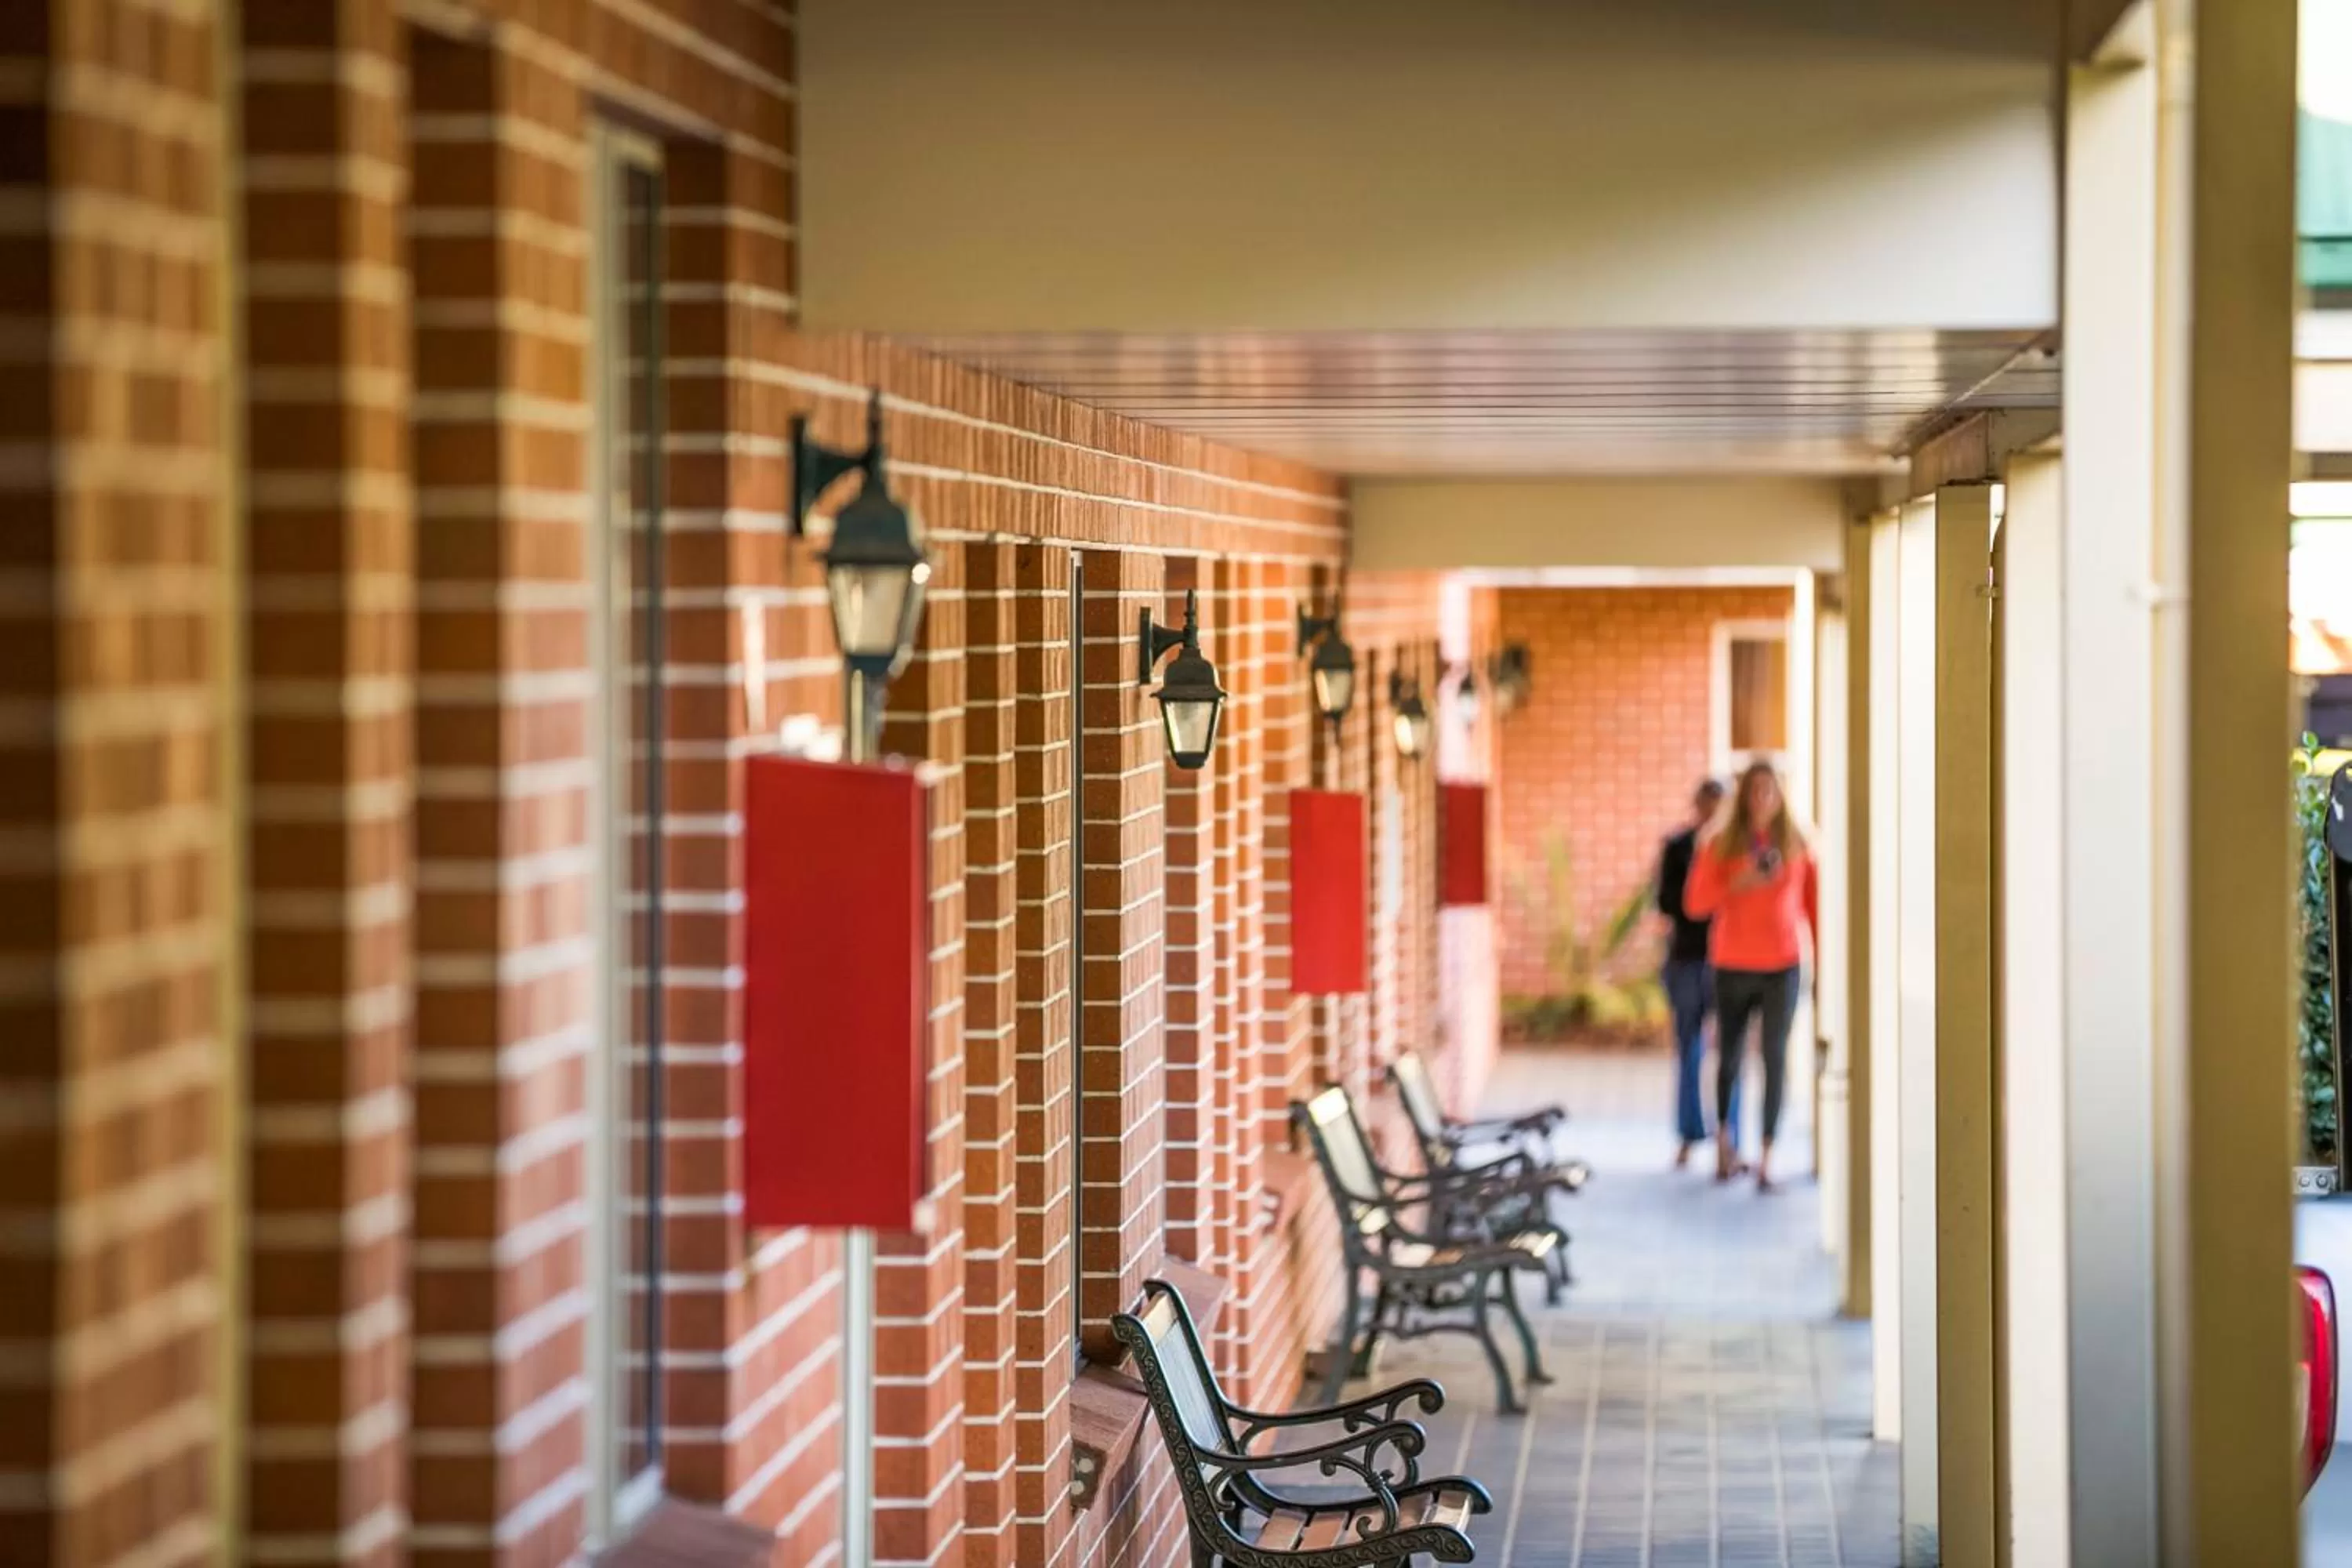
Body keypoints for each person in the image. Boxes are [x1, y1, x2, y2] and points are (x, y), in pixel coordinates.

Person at [1682, 758, 1818, 1191]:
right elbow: (1696, 905)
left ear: (1781, 795)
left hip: (1783, 965)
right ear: (1743, 797)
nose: (1762, 798)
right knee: (1731, 1056)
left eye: (1770, 790)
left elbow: (1814, 909)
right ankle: (1725, 1144)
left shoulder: (1798, 843)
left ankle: (1768, 1157)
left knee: (1775, 1057)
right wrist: (1738, 882)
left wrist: (1824, 965)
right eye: (1755, 790)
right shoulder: (1719, 843)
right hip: (1733, 964)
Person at [1655, 777, 1730, 1168]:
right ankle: (1688, 1134)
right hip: (1687, 959)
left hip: (1729, 961)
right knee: (1690, 1050)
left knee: (1729, 1055)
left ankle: (1728, 1139)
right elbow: (1668, 903)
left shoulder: (1737, 851)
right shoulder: (1678, 847)